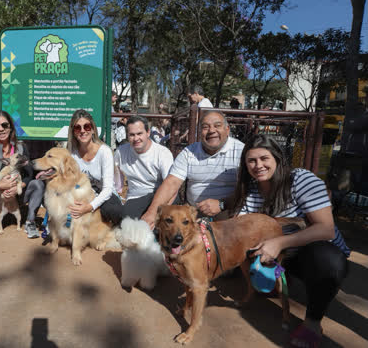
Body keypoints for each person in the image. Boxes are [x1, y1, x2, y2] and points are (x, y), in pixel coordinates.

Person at [233, 134, 349, 348]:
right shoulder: (250, 190)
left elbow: (326, 229)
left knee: (328, 262)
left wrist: (279, 243)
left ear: (277, 158)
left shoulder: (301, 178)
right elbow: (240, 228)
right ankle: (274, 279)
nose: (258, 165)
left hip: (311, 247)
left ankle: (313, 322)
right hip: (277, 252)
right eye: (251, 160)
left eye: (264, 158)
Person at [142, 110, 244, 228]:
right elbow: (172, 183)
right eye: (205, 127)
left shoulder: (241, 151)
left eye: (217, 126)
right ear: (199, 132)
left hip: (228, 210)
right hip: (194, 213)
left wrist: (222, 204)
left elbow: (249, 191)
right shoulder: (189, 152)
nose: (211, 131)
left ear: (227, 129)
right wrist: (151, 213)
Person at [0, 110, 45, 238]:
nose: (1, 129)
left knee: (38, 184)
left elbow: (29, 175)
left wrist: (17, 187)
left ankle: (30, 221)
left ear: (10, 127)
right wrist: (0, 186)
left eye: (4, 125)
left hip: (17, 194)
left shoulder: (21, 147)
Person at [67, 109, 122, 225]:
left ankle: (117, 229)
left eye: (86, 126)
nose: (82, 131)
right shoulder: (71, 152)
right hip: (82, 194)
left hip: (104, 195)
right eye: (77, 128)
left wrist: (90, 206)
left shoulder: (104, 152)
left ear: (92, 129)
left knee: (113, 210)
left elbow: (107, 189)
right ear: (73, 132)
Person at [114, 115, 174, 220]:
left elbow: (171, 186)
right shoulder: (121, 152)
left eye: (139, 134)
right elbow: (115, 180)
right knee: (122, 217)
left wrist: (157, 213)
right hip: (134, 197)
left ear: (148, 133)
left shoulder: (162, 153)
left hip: (159, 195)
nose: (136, 138)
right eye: (132, 135)